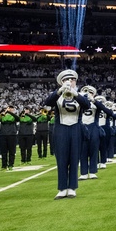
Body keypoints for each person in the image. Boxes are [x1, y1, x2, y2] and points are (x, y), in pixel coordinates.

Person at [42, 69, 91, 200]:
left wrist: (75, 94)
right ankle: (62, 188)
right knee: (62, 159)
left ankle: (72, 187)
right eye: (66, 80)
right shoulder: (57, 95)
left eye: (72, 79)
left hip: (76, 128)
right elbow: (47, 103)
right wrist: (60, 91)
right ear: (61, 82)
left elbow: (87, 105)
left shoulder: (81, 95)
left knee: (74, 158)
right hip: (61, 129)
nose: (70, 82)